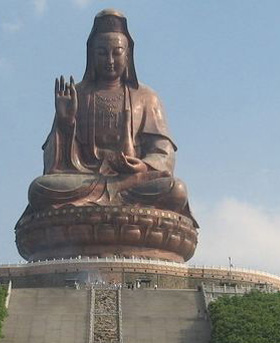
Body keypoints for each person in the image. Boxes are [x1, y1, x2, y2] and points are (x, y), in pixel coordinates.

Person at [26, 9, 195, 224]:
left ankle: (99, 211)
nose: (110, 60)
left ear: (128, 54)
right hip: (87, 179)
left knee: (175, 190)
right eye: (102, 53)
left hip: (132, 181)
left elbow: (164, 153)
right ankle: (107, 209)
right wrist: (65, 124)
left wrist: (143, 166)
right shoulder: (76, 95)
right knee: (40, 189)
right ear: (91, 55)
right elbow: (52, 163)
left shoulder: (146, 97)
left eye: (117, 52)